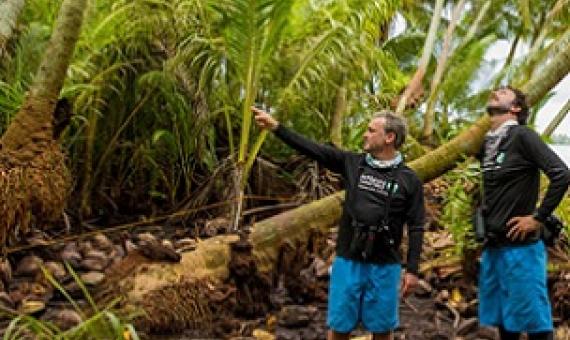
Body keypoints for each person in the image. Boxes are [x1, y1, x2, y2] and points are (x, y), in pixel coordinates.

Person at [252, 107, 425, 340]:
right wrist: (276, 127)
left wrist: (412, 271)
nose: (365, 134)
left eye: (371, 130)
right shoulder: (353, 164)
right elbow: (313, 150)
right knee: (340, 326)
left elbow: (416, 226)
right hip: (348, 260)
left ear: (389, 137)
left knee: (382, 329)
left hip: (385, 266)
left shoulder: (409, 180)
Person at [477, 86, 570, 340]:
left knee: (535, 325)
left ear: (516, 108)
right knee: (506, 325)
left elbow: (562, 174)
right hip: (494, 247)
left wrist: (538, 218)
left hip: (521, 251)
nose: (495, 91)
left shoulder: (522, 136)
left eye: (504, 92)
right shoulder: (489, 143)